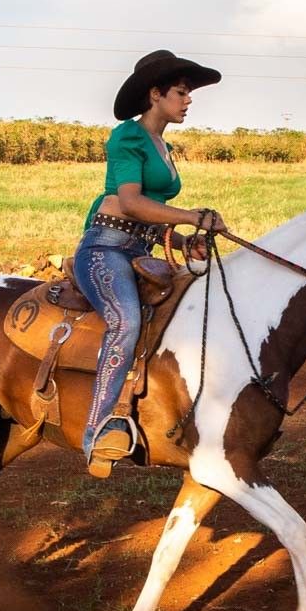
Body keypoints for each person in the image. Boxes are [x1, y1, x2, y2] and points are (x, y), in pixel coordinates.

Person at [73, 49, 229, 476]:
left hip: (140, 250)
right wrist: (192, 216)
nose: (189, 100)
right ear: (155, 94)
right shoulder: (127, 137)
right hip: (105, 249)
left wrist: (181, 239)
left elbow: (150, 210)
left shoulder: (164, 144)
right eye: (181, 92)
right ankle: (97, 432)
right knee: (125, 323)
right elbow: (129, 202)